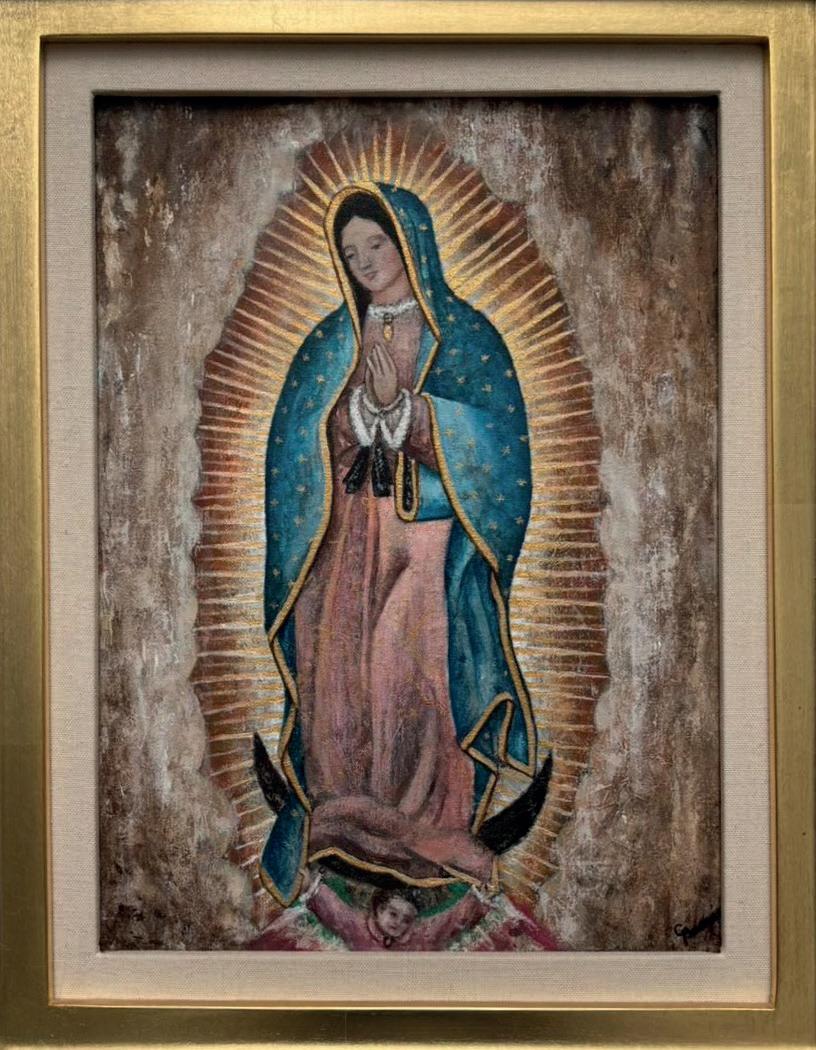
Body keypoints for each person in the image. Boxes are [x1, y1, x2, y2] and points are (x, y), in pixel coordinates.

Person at [259, 181, 537, 907]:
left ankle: (427, 830)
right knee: (339, 675)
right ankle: (342, 815)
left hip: (423, 540)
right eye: (351, 253)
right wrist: (354, 417)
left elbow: (499, 448)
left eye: (376, 244)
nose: (366, 263)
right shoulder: (331, 343)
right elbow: (297, 444)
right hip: (341, 540)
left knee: (405, 674)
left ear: (411, 242)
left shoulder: (466, 337)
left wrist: (409, 413)